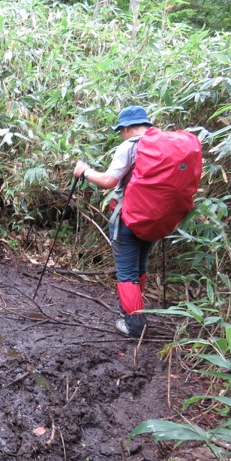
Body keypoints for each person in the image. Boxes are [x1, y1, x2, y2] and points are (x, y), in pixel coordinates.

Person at [73, 105, 154, 338]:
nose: (121, 135)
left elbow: (109, 180)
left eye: (121, 131)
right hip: (156, 219)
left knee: (126, 272)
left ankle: (134, 325)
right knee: (140, 266)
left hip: (129, 218)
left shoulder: (129, 146)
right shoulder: (163, 146)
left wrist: (85, 172)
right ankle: (138, 311)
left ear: (127, 128)